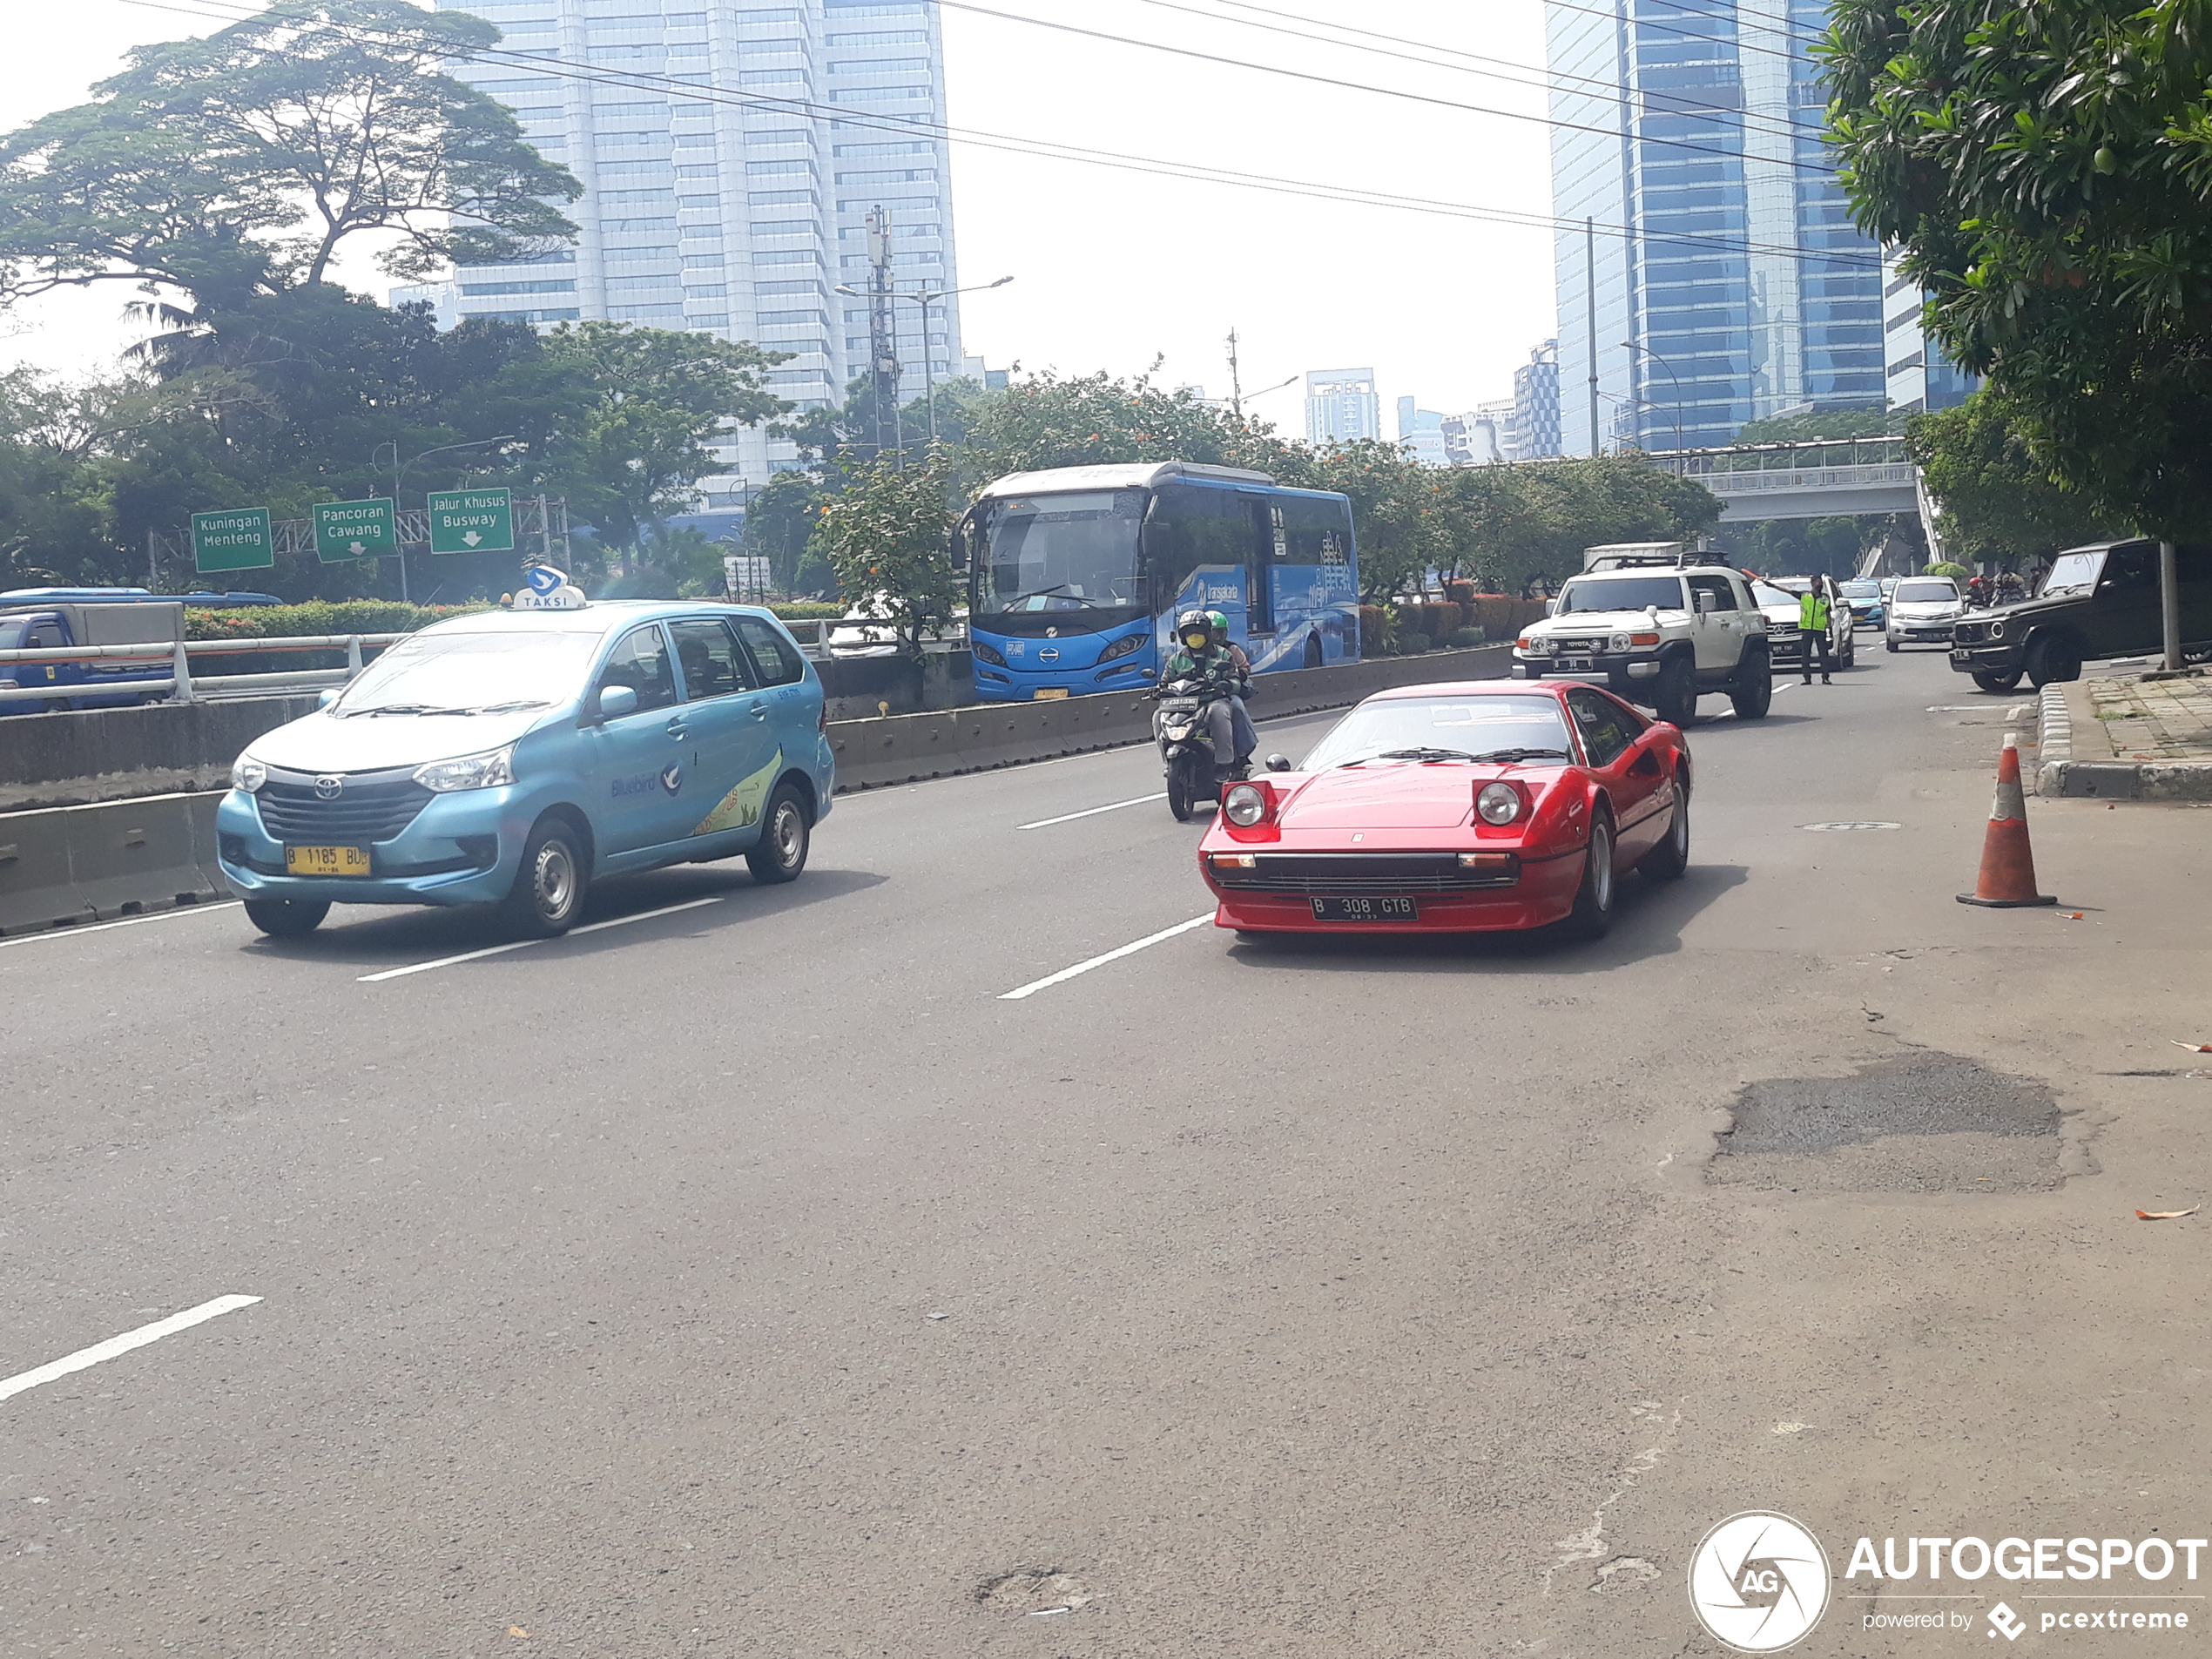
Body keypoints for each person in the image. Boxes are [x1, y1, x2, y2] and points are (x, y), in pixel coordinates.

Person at [1160, 609, 1242, 784]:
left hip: (1211, 701)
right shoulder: (1175, 660)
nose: (1194, 637)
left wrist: (1226, 685)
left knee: (1218, 712)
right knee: (1157, 716)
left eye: (1197, 633)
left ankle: (1223, 763)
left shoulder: (1223, 655)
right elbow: (1164, 682)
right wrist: (1157, 690)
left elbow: (1236, 681)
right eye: (1189, 633)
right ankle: (1168, 761)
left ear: (1207, 633)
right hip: (1183, 705)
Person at [1208, 609, 1258, 770]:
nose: (1216, 638)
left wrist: (1233, 679)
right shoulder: (1189, 653)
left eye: (1219, 633)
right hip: (1199, 694)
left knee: (1236, 707)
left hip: (1225, 693)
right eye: (1212, 633)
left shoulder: (1231, 650)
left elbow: (1244, 668)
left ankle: (1242, 753)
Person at [1798, 576, 1833, 685]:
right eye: (1817, 583)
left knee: (1823, 654)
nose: (1820, 585)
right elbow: (1788, 591)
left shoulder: (1825, 598)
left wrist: (1829, 629)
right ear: (1812, 583)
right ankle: (1807, 678)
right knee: (1805, 655)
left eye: (1821, 583)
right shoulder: (1804, 596)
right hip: (1807, 629)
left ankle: (1825, 677)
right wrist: (1772, 586)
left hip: (1820, 629)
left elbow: (1828, 614)